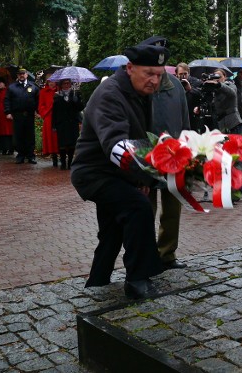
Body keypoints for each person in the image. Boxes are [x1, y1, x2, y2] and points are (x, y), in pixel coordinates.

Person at [70, 42, 170, 300]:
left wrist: (141, 173)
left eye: (159, 75)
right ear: (129, 68)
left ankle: (97, 282)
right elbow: (115, 144)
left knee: (113, 229)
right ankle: (137, 281)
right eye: (149, 73)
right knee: (137, 207)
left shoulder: (137, 90)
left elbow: (140, 136)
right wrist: (144, 175)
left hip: (116, 172)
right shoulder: (111, 93)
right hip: (95, 172)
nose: (154, 81)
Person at [145, 36, 191, 269]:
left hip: (175, 158)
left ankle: (166, 254)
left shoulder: (176, 87)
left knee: (173, 209)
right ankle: (144, 256)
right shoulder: (141, 86)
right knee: (145, 209)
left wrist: (188, 150)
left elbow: (185, 122)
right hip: (145, 159)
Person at [4, 68, 39, 164]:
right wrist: (8, 112)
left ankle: (31, 156)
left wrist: (37, 111)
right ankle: (20, 156)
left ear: (27, 75)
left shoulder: (33, 86)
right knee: (19, 136)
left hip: (29, 115)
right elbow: (7, 100)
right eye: (20, 74)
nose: (21, 75)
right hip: (17, 115)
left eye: (23, 74)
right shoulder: (12, 87)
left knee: (30, 136)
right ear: (17, 75)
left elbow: (37, 100)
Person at [52, 79, 84, 170]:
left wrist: (76, 101)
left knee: (72, 144)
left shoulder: (75, 94)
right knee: (62, 144)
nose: (66, 85)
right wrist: (53, 125)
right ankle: (63, 162)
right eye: (64, 83)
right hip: (61, 123)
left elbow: (80, 107)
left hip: (72, 123)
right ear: (61, 85)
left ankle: (70, 162)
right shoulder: (57, 95)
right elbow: (54, 112)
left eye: (68, 83)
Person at [205, 68, 242, 134]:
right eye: (215, 76)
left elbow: (232, 93)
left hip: (233, 124)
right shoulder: (212, 90)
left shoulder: (231, 85)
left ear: (224, 77)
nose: (217, 78)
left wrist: (219, 85)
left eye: (219, 76)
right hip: (221, 126)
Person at [38, 75, 60, 167]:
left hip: (59, 117)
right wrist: (47, 111)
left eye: (53, 81)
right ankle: (54, 157)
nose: (51, 83)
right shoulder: (43, 92)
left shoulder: (59, 91)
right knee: (51, 138)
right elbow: (40, 106)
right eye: (49, 81)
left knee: (59, 138)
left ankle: (62, 156)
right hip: (49, 117)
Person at [176, 62, 202, 132]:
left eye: (185, 74)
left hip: (192, 117)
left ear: (189, 73)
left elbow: (201, 94)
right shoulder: (174, 83)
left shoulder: (196, 82)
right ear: (177, 75)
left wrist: (190, 89)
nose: (183, 76)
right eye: (180, 74)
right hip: (178, 116)